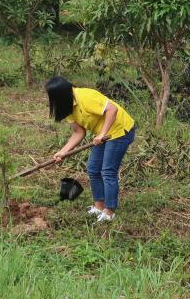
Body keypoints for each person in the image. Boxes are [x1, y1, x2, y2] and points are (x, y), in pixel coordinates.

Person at [46, 77, 137, 223]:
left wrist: (101, 134)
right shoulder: (68, 106)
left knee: (107, 171)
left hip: (120, 130)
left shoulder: (86, 96)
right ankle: (99, 206)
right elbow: (78, 132)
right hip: (103, 135)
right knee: (93, 169)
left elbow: (112, 110)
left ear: (60, 94)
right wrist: (63, 151)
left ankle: (109, 212)